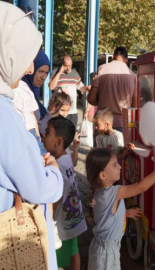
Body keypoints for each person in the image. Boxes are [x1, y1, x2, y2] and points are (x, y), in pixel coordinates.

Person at [0, 3, 63, 269]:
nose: (27, 69)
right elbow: (38, 187)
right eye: (25, 57)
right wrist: (55, 172)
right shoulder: (4, 115)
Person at [86, 148, 155, 270]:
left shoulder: (99, 191)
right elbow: (141, 187)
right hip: (108, 254)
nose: (120, 167)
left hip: (99, 249)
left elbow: (106, 216)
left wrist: (124, 213)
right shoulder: (115, 192)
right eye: (115, 165)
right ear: (103, 175)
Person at [43, 116, 87, 270]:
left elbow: (57, 196)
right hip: (72, 217)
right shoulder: (66, 158)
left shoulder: (57, 166)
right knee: (74, 251)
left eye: (48, 132)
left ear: (58, 141)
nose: (43, 135)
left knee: (58, 257)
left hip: (62, 220)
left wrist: (47, 216)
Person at [87, 46, 137, 132]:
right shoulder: (133, 76)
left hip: (102, 123)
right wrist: (131, 129)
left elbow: (91, 99)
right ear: (126, 60)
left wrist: (101, 101)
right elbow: (134, 107)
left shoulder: (102, 69)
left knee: (100, 145)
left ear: (112, 57)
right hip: (123, 124)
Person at [39, 90, 81, 167]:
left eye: (67, 111)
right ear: (54, 107)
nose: (65, 114)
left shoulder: (61, 122)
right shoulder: (45, 124)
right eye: (62, 110)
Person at [49, 55, 85, 129]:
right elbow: (51, 87)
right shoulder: (55, 72)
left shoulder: (75, 74)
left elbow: (81, 87)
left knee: (71, 134)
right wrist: (59, 73)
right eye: (66, 66)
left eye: (70, 66)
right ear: (62, 64)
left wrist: (87, 88)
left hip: (72, 112)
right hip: (60, 111)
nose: (68, 68)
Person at [22, 50, 50, 120]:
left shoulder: (34, 94)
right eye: (41, 71)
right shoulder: (20, 92)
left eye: (46, 73)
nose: (43, 77)